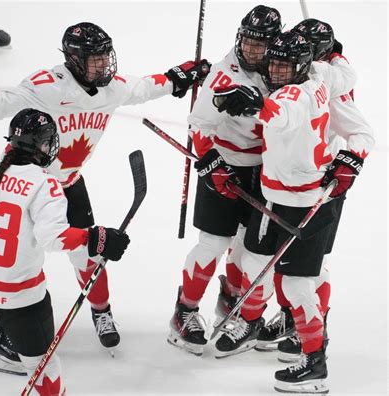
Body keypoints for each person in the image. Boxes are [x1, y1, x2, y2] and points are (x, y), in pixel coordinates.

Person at [0, 21, 210, 373]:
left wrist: (178, 76)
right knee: (15, 266)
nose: (105, 66)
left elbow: (145, 87)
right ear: (74, 59)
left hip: (68, 183)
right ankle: (2, 333)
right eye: (96, 59)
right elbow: (3, 101)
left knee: (90, 252)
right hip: (28, 188)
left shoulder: (112, 88)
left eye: (107, 57)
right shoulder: (46, 87)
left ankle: (101, 312)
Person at [0, 108, 130, 396]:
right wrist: (96, 238)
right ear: (42, 145)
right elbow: (54, 237)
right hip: (19, 299)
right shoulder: (44, 183)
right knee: (43, 370)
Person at [212, 30, 363, 393]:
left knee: (296, 284)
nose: (276, 71)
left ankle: (315, 363)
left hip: (305, 202)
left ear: (303, 64)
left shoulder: (296, 92)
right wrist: (338, 55)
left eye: (284, 65)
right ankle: (250, 323)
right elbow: (340, 72)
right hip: (272, 197)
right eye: (273, 63)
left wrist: (256, 105)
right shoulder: (320, 74)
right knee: (252, 261)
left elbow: (284, 112)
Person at [167, 5, 281, 356]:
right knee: (213, 244)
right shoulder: (224, 73)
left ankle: (232, 301)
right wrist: (212, 164)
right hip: (226, 165)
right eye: (246, 42)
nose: (251, 51)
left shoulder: (283, 68)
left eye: (260, 45)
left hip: (265, 171)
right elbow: (198, 124)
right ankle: (184, 312)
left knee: (250, 247)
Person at [264, 18, 374, 362]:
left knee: (309, 268)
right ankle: (291, 320)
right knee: (290, 265)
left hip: (323, 186)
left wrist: (349, 162)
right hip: (291, 182)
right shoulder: (306, 74)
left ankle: (309, 334)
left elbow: (362, 135)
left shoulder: (328, 84)